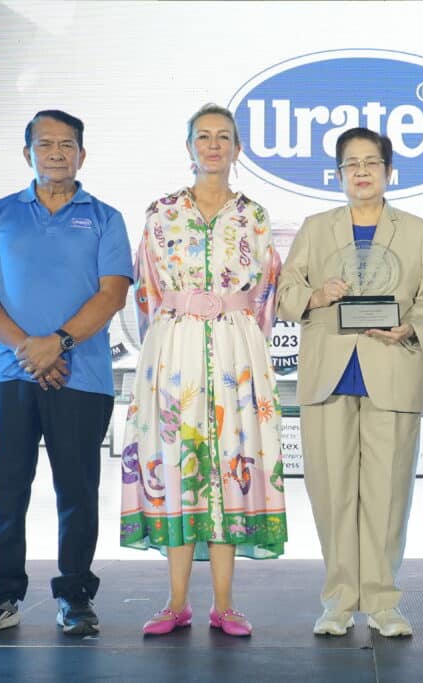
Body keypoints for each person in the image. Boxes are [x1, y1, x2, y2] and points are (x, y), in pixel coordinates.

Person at [0, 109, 133, 637]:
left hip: (82, 376)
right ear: (27, 153)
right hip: (7, 374)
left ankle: (75, 595)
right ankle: (0, 594)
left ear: (82, 154)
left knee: (77, 491)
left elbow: (112, 293)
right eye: (45, 144)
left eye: (66, 144)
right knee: (4, 491)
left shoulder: (105, 218)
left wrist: (56, 344)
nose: (56, 153)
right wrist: (28, 350)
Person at [277, 127, 423, 638]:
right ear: (337, 174)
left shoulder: (417, 231)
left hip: (391, 368)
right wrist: (315, 295)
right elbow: (284, 293)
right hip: (327, 375)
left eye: (371, 163)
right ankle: (337, 601)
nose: (361, 172)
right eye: (350, 164)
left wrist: (411, 326)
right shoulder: (316, 229)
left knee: (387, 495)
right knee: (331, 494)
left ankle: (383, 602)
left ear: (389, 171)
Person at [119, 103, 286, 638]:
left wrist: (242, 338)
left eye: (224, 137)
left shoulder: (254, 216)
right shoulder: (162, 212)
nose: (214, 145)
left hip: (237, 351)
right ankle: (175, 602)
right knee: (176, 464)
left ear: (238, 149)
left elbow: (267, 293)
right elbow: (146, 290)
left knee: (230, 465)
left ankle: (225, 604)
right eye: (204, 136)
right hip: (175, 351)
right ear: (189, 146)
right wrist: (169, 336)